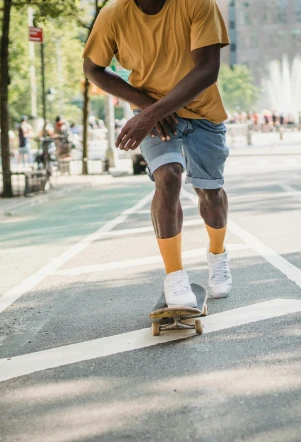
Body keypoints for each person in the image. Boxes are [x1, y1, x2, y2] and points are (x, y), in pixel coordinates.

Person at [83, 0, 233, 307]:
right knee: (168, 177)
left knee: (211, 193)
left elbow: (208, 70)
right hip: (153, 112)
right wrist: (148, 108)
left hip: (201, 111)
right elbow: (93, 68)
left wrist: (150, 114)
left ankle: (218, 255)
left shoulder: (198, 4)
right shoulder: (113, 13)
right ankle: (174, 277)